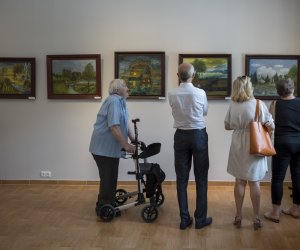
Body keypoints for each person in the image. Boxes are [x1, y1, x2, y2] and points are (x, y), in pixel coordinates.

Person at [224, 76, 274, 230]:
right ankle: (256, 218)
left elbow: (227, 126)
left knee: (239, 181)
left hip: (238, 145)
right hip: (255, 144)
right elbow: (271, 126)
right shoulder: (258, 104)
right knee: (254, 182)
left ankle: (238, 216)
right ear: (249, 87)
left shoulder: (233, 105)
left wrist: (240, 127)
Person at [168, 63, 212, 230]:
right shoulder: (200, 93)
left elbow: (174, 111)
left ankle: (184, 219)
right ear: (193, 76)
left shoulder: (172, 93)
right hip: (198, 135)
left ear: (178, 75)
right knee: (201, 178)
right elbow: (205, 112)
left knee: (181, 179)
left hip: (180, 136)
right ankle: (200, 219)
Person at [89, 79, 135, 217]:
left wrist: (133, 139)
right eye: (125, 86)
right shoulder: (114, 101)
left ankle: (109, 203)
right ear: (117, 90)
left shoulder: (121, 102)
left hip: (109, 148)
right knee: (108, 177)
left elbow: (125, 122)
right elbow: (113, 126)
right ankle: (103, 207)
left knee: (111, 177)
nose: (127, 88)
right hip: (103, 148)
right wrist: (126, 145)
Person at [264, 78, 300, 222]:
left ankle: (275, 213)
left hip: (282, 143)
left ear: (278, 90)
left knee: (278, 178)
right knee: (297, 176)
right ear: (292, 88)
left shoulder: (275, 105)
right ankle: (296, 209)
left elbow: (268, 125)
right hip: (299, 143)